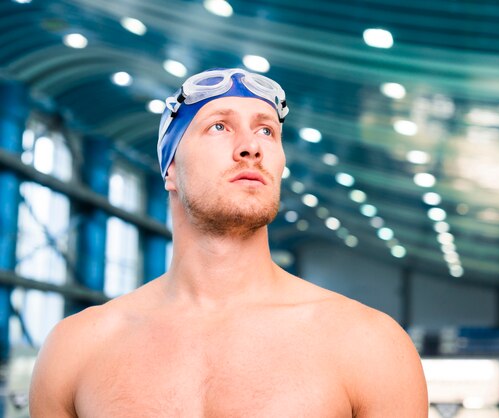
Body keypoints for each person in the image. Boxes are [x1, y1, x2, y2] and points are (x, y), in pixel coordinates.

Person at [29, 68, 428, 417]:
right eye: (219, 126)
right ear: (170, 169)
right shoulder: (77, 349)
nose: (251, 146)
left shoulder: (369, 345)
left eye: (266, 130)